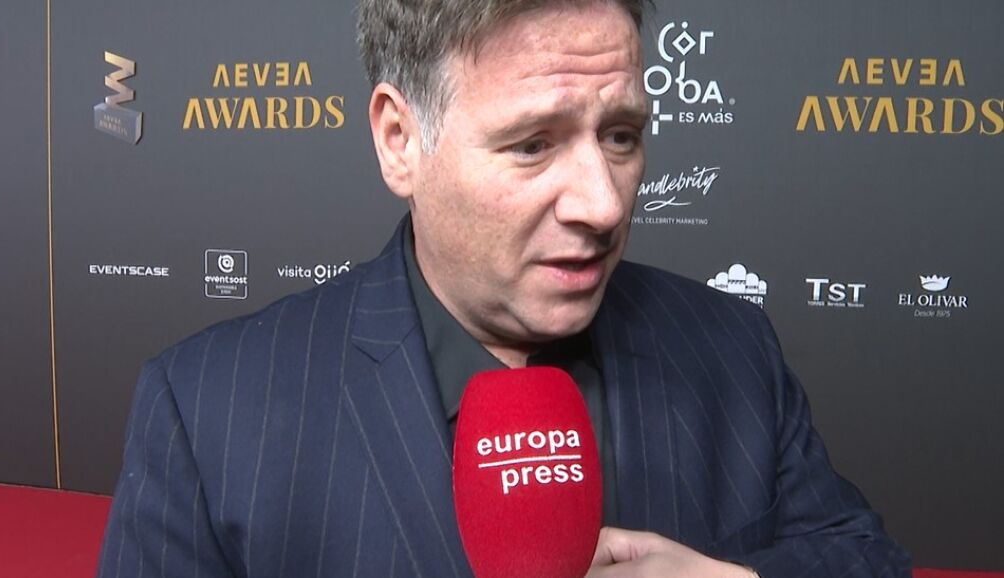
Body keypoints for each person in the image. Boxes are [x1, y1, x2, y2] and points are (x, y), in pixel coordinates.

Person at [96, 0, 911, 576]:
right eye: (532, 144)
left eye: (621, 135)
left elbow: (863, 557)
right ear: (400, 140)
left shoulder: (732, 348)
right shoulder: (208, 410)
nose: (603, 204)